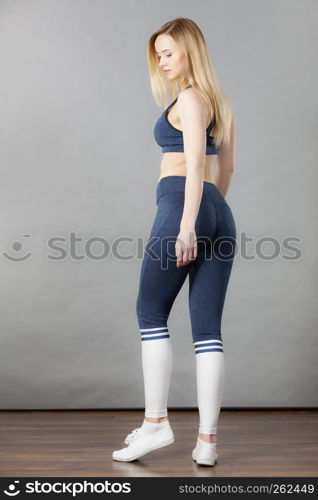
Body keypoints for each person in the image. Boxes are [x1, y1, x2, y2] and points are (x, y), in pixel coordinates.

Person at [112, 17, 236, 466]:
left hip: (183, 205)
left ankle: (156, 424)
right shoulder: (220, 102)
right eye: (158, 54)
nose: (162, 61)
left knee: (149, 312)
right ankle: (207, 443)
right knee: (207, 331)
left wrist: (187, 224)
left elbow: (195, 166)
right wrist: (208, 215)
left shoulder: (188, 98)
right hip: (219, 213)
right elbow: (228, 170)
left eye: (168, 52)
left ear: (189, 50)